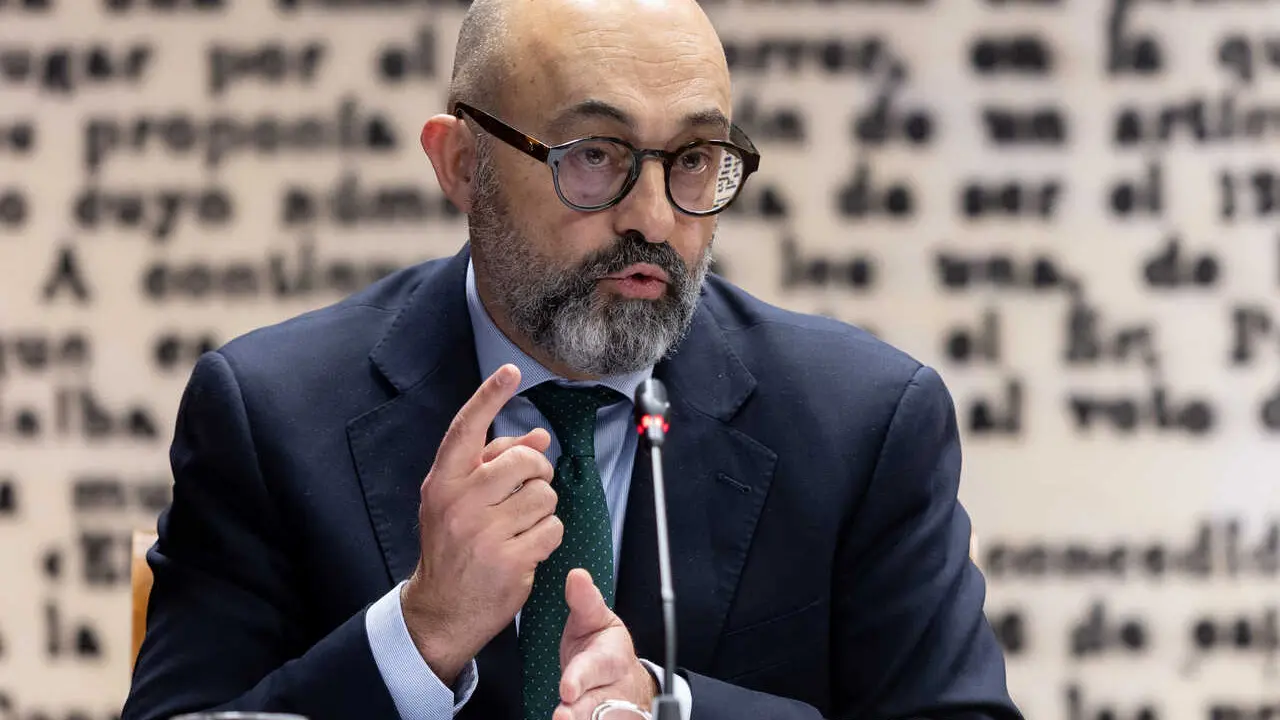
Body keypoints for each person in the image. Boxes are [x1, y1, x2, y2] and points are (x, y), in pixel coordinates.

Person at [123, 0, 1023, 718]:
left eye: (697, 158)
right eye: (596, 156)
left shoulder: (863, 422)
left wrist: (671, 707)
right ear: (463, 164)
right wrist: (420, 634)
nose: (656, 217)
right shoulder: (270, 412)